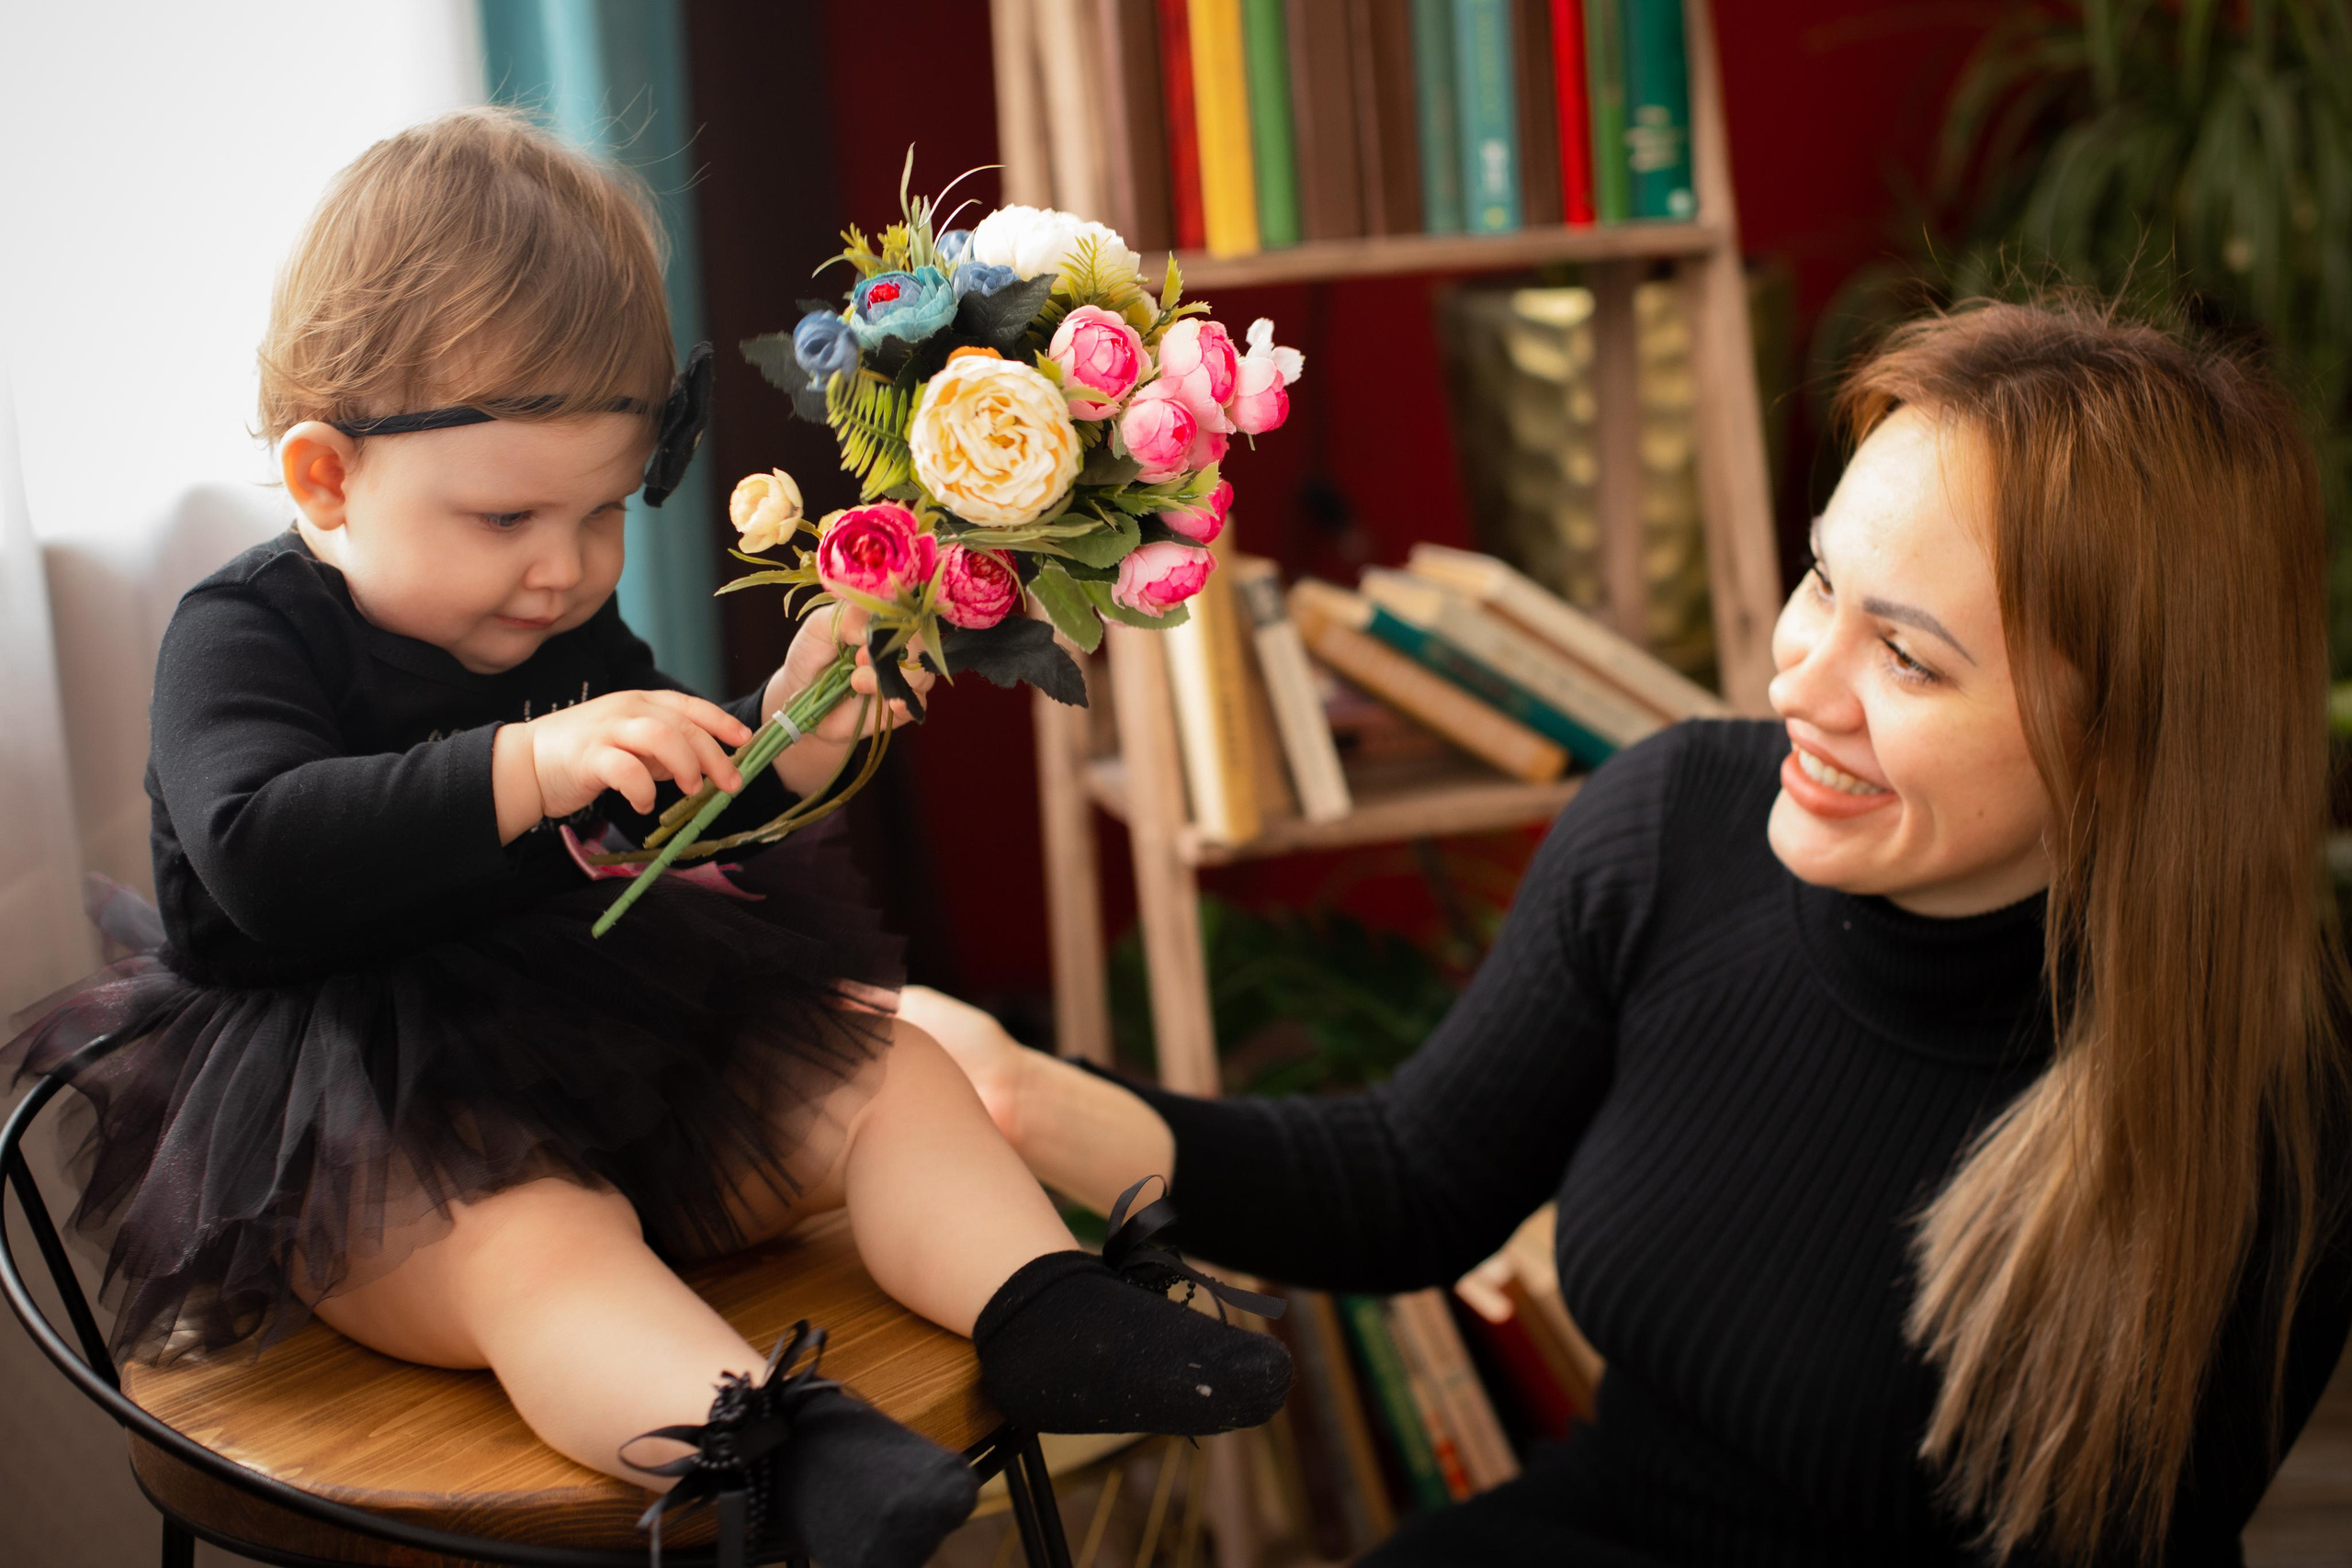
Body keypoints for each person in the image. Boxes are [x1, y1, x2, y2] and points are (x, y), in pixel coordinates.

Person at [4, 107, 1288, 1568]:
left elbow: (679, 796)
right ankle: (776, 1455)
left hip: (622, 1063)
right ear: (326, 481)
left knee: (894, 1070)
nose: (564, 569)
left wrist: (787, 734)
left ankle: (1044, 1305)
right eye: (505, 519)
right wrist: (526, 761)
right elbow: (257, 853)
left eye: (606, 510)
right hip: (366, 1138)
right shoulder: (241, 635)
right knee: (541, 1247)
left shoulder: (558, 615)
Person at [905, 299, 2352, 1566]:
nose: (1801, 680)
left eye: (1907, 657)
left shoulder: (2266, 1105)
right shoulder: (1675, 828)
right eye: (1820, 584)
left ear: (2123, 745)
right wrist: (1014, 1093)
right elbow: (1410, 1181)